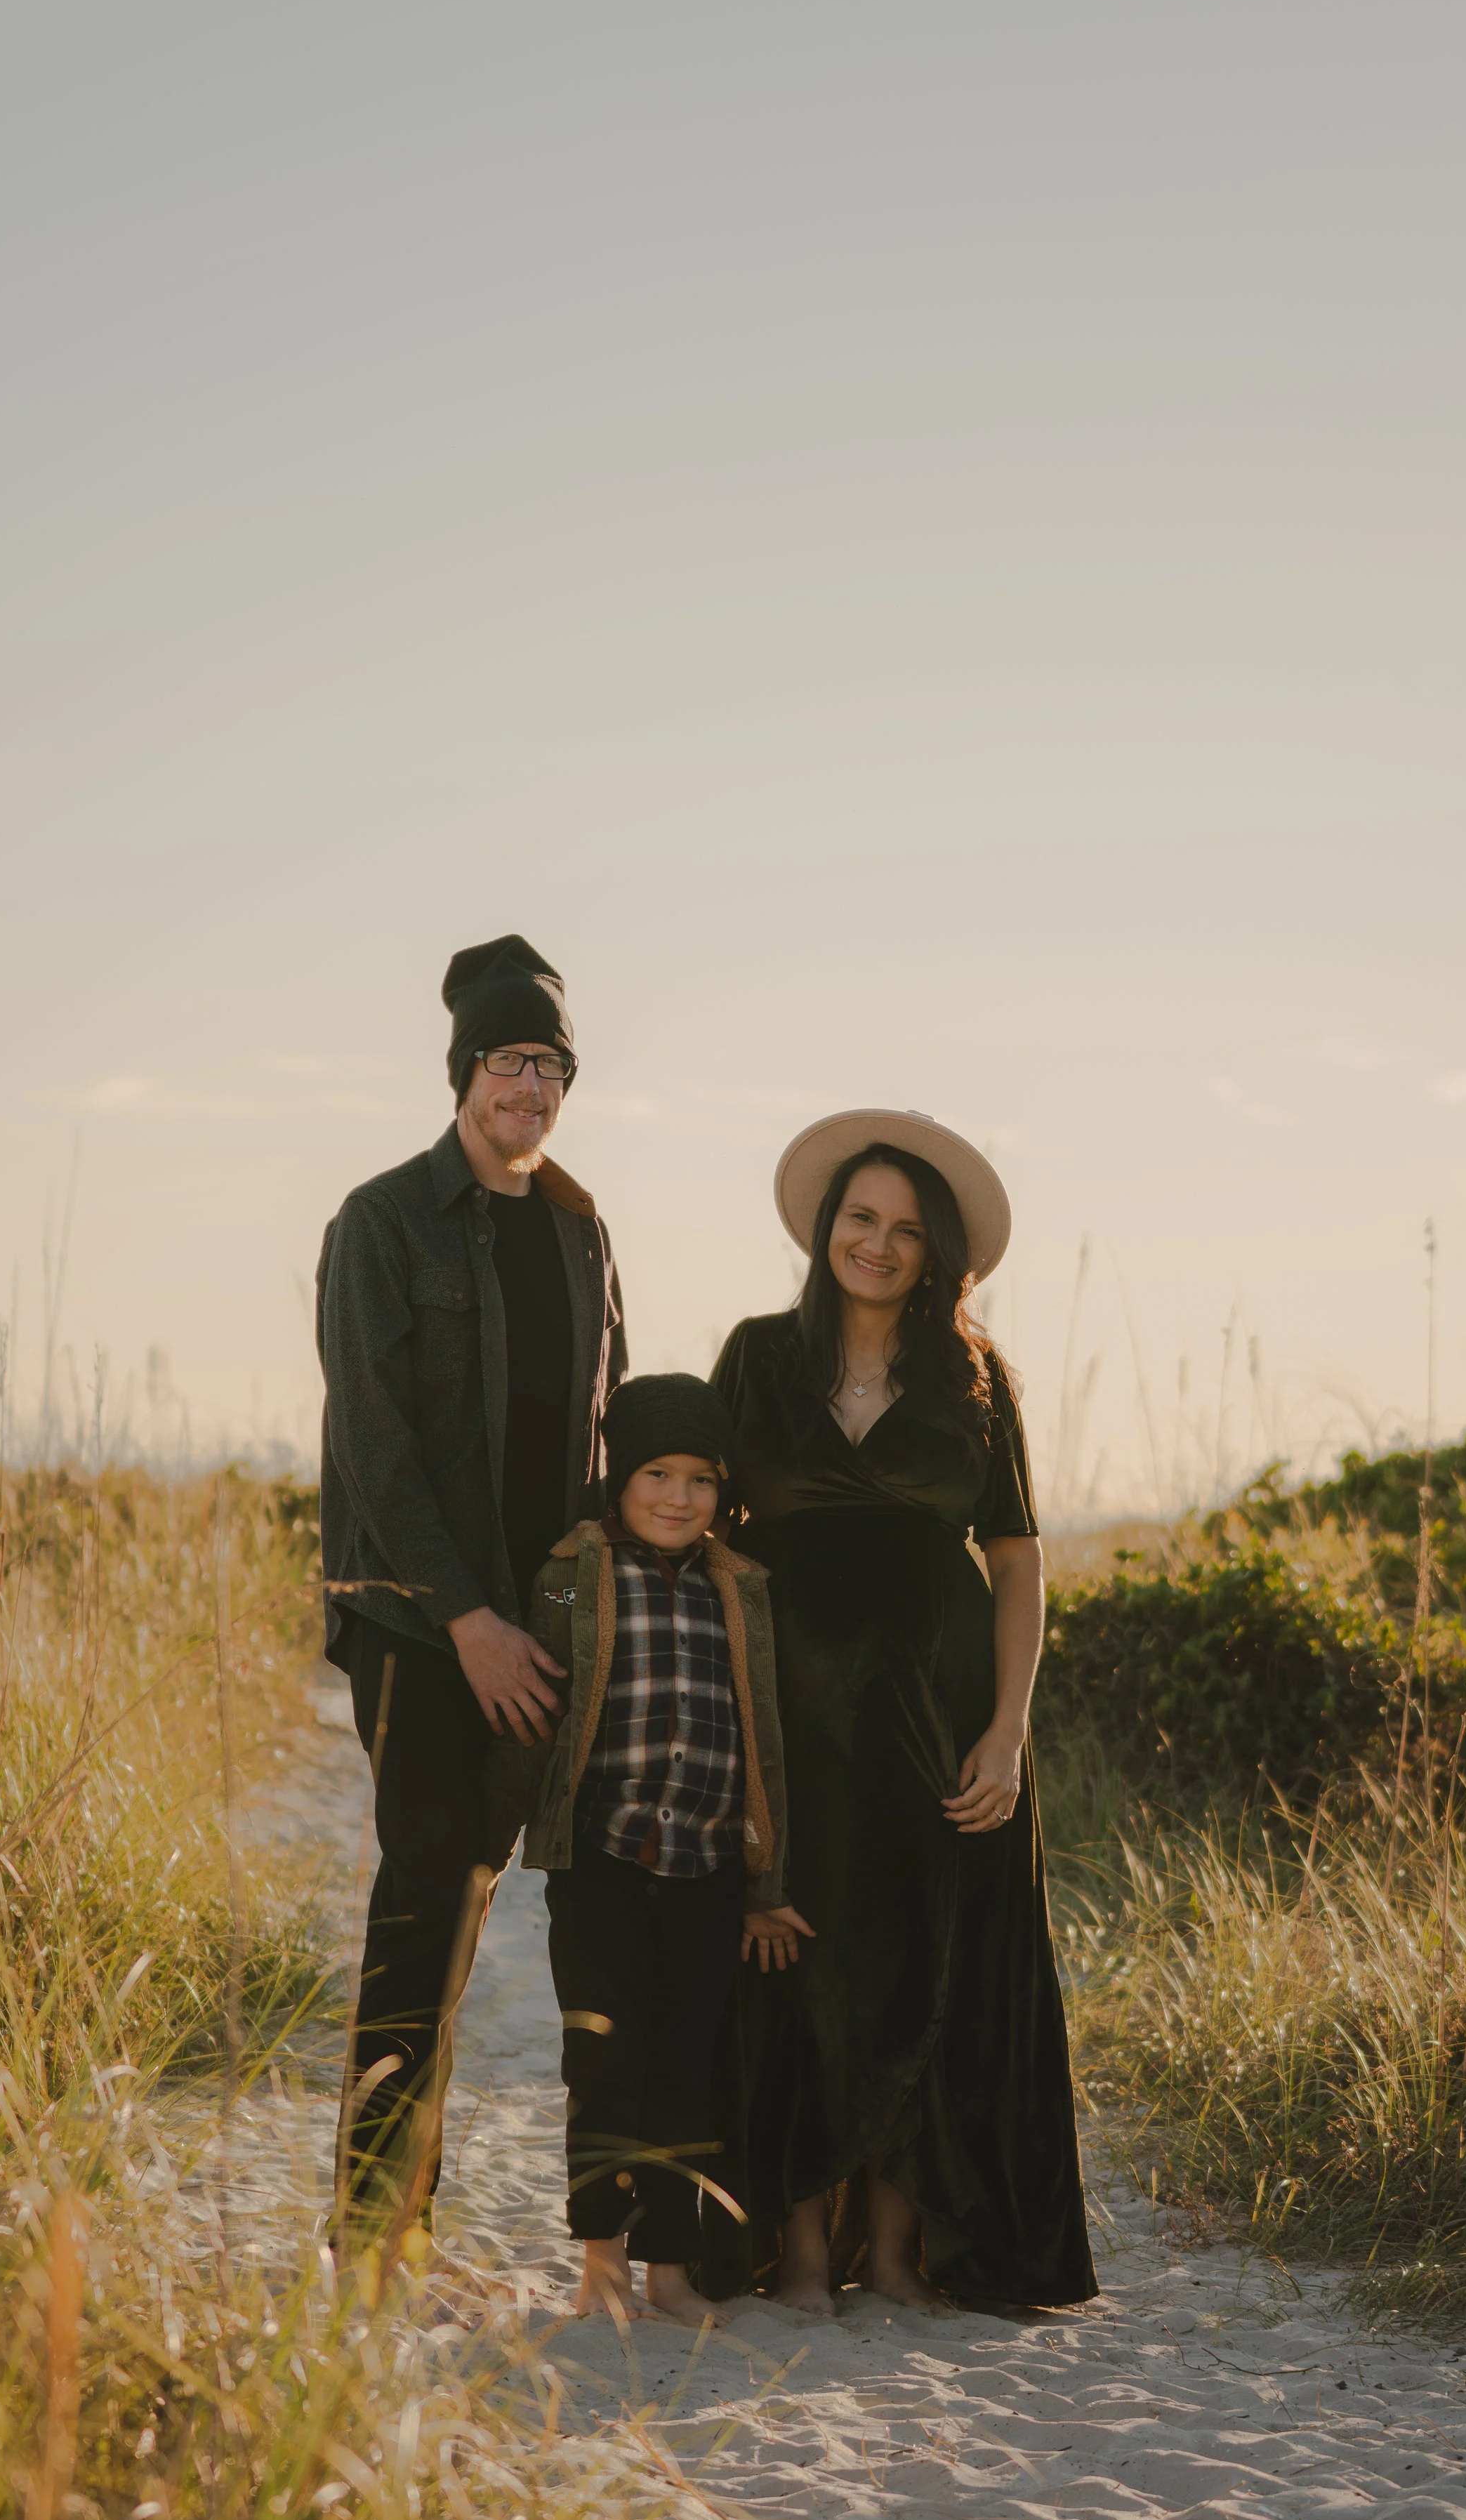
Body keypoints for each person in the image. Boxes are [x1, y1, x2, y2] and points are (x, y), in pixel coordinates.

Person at [710, 1109, 1098, 2314]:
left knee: (930, 1963)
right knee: (806, 1967)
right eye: (861, 1219)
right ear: (829, 1229)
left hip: (943, 1714)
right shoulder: (758, 1358)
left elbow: (1019, 1560)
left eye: (907, 1230)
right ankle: (806, 2252)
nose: (878, 1244)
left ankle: (894, 2251)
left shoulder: (978, 1381)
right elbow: (698, 1524)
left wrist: (1009, 1727)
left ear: (939, 1256)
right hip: (793, 1718)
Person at [316, 934, 626, 2223]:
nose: (531, 1088)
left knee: (564, 1908)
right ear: (464, 1072)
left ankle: (629, 2233)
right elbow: (375, 1448)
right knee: (424, 1918)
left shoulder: (579, 1228)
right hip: (421, 1630)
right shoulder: (383, 1221)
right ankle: (378, 2239)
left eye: (552, 1064)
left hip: (553, 1633)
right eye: (510, 1060)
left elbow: (605, 1427)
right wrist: (471, 1621)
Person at [519, 1374, 804, 2325]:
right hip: (603, 1859)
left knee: (688, 2068)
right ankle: (601, 2263)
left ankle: (669, 2271)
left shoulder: (744, 1585)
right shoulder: (571, 1568)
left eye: (700, 1479)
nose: (678, 1497)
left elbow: (763, 1739)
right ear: (618, 1475)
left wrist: (762, 1882)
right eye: (656, 1473)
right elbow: (537, 1694)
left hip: (708, 1869)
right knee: (606, 2065)